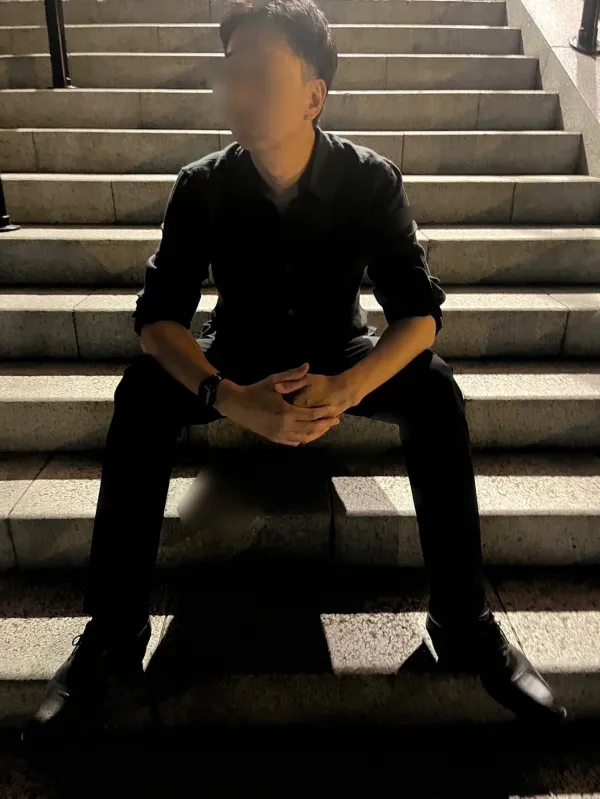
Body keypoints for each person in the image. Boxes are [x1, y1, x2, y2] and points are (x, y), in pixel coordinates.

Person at [23, 0, 567, 739]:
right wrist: (229, 397)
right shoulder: (202, 185)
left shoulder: (369, 180)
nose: (238, 90)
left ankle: (463, 621)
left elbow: (418, 316)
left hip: (338, 350)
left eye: (261, 74)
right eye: (232, 72)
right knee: (142, 393)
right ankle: (113, 635)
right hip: (236, 351)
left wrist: (345, 389)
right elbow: (158, 320)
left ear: (315, 95)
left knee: (435, 390)